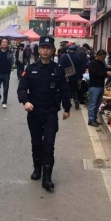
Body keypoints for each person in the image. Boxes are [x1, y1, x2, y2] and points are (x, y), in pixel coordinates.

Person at [18, 36, 71, 191]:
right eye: (43, 48)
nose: (45, 51)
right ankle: (37, 168)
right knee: (36, 142)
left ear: (53, 50)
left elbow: (64, 90)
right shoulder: (30, 69)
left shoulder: (58, 70)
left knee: (48, 144)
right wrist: (25, 102)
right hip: (34, 112)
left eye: (48, 48)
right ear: (39, 50)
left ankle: (47, 178)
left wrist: (67, 108)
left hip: (50, 112)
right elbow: (22, 88)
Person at [87, 49, 111, 127]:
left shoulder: (102, 63)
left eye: (104, 57)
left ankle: (94, 118)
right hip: (94, 86)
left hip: (101, 86)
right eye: (102, 57)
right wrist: (106, 73)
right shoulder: (92, 63)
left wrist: (110, 69)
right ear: (98, 56)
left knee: (97, 104)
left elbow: (104, 70)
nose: (103, 59)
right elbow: (95, 73)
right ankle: (91, 120)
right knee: (92, 104)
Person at [59, 45, 84, 110]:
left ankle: (67, 103)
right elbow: (80, 68)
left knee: (66, 90)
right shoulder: (77, 58)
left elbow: (61, 67)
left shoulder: (64, 57)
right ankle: (76, 100)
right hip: (75, 77)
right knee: (74, 90)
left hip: (66, 76)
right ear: (75, 50)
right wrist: (80, 77)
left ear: (69, 50)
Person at [0, 38, 14, 108]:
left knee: (5, 88)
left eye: (6, 42)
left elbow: (12, 62)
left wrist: (9, 68)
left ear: (7, 44)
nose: (4, 43)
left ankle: (4, 102)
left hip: (6, 73)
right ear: (1, 43)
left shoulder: (10, 52)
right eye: (3, 42)